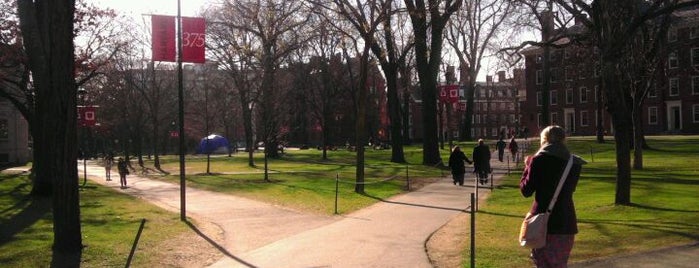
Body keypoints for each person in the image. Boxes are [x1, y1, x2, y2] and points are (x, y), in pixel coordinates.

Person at [520, 125, 586, 267]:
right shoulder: (574, 163)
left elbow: (526, 191)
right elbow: (568, 190)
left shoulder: (538, 160)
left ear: (543, 140)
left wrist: (527, 167)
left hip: (543, 222)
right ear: (563, 140)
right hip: (566, 222)